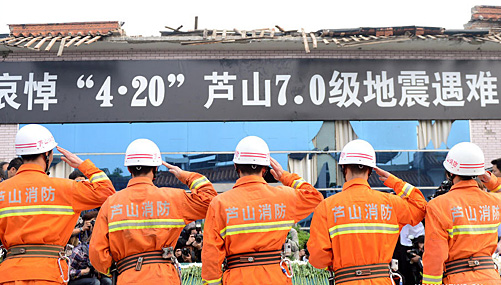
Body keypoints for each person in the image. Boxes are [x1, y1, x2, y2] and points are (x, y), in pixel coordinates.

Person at [89, 138, 217, 284]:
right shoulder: (173, 198)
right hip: (164, 277)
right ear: (155, 168)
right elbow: (210, 201)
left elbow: (96, 253)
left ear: (129, 169)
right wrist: (185, 176)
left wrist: (119, 267)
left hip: (128, 277)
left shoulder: (111, 204)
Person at [0, 124, 116, 284]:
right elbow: (107, 191)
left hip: (9, 274)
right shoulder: (66, 188)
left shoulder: (2, 191)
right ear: (47, 154)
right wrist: (83, 165)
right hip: (49, 273)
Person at [201, 136, 323, 285]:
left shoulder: (220, 203)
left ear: (236, 166)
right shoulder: (284, 197)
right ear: (265, 169)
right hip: (276, 277)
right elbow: (315, 198)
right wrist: (285, 176)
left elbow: (211, 255)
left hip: (237, 278)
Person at [307, 139, 427, 284]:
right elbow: (421, 207)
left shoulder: (327, 207)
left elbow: (317, 258)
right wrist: (394, 181)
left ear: (344, 168)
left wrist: (336, 264)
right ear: (370, 171)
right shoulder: (390, 203)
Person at [422, 142, 501, 285]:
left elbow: (435, 255)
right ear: (479, 172)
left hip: (457, 278)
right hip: (491, 278)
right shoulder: (495, 201)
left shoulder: (438, 205)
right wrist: (492, 181)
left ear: (450, 172)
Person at [69, 211, 111, 285]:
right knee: (95, 283)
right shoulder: (79, 249)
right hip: (77, 275)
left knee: (107, 281)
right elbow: (68, 272)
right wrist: (82, 228)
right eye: (91, 222)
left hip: (92, 275)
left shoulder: (101, 241)